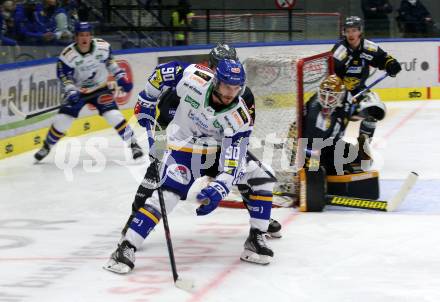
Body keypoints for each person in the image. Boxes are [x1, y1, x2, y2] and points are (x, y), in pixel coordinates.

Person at [105, 59, 278, 274]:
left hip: (217, 154)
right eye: (226, 86)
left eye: (236, 88)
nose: (230, 93)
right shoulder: (193, 79)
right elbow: (164, 72)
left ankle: (256, 237)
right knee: (167, 195)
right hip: (183, 149)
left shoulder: (240, 117)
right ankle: (126, 246)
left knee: (263, 177)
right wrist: (147, 97)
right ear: (216, 81)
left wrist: (219, 189)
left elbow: (233, 162)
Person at [34, 22, 143, 162]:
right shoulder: (67, 56)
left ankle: (134, 144)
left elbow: (110, 63)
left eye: (87, 35)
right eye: (81, 35)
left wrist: (121, 77)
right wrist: (71, 91)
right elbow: (64, 77)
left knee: (114, 115)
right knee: (62, 121)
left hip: (100, 89)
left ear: (91, 36)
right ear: (75, 37)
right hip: (77, 92)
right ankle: (47, 146)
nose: (84, 38)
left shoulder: (102, 47)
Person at [331, 16, 401, 154]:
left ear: (360, 31)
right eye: (348, 31)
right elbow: (332, 73)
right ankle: (331, 147)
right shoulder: (340, 50)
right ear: (344, 32)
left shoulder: (369, 47)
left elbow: (384, 58)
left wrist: (391, 64)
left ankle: (363, 147)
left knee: (374, 109)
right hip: (340, 90)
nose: (351, 34)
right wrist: (341, 94)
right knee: (338, 117)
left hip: (359, 89)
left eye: (354, 30)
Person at [302, 74, 386, 175]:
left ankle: (356, 154)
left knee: (359, 160)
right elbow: (310, 148)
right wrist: (313, 168)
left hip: (330, 145)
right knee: (343, 170)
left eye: (331, 98)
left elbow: (352, 109)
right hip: (314, 151)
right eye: (324, 96)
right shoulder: (316, 118)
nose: (326, 102)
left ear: (340, 95)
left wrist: (368, 110)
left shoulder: (344, 96)